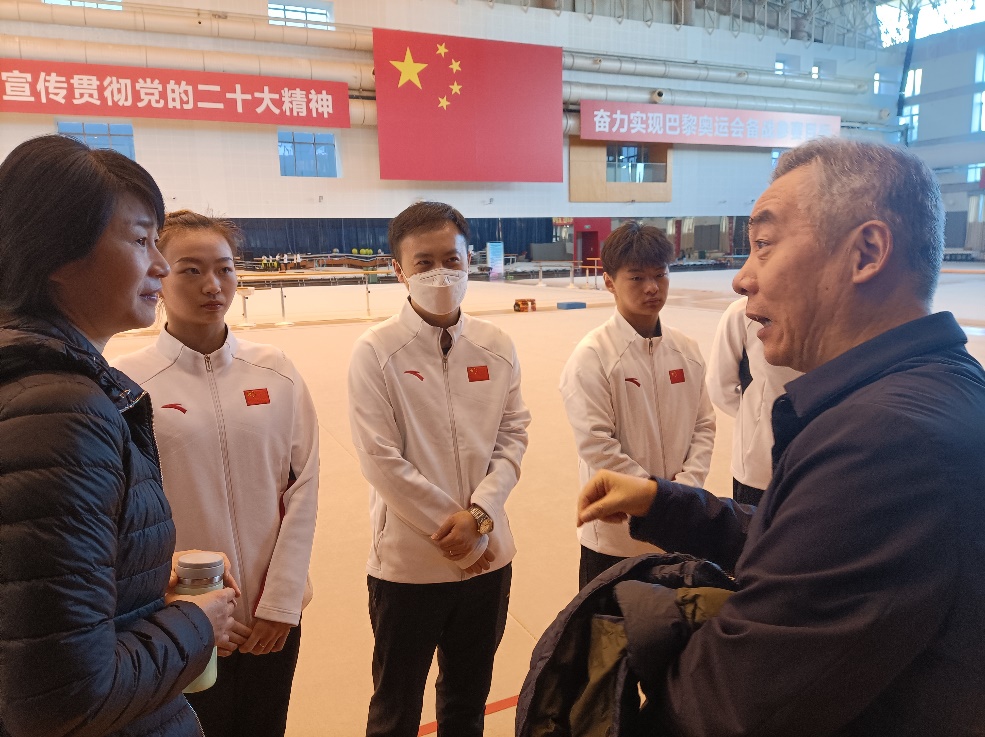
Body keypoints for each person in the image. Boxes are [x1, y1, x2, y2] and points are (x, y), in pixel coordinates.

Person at [576, 138, 985, 735]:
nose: (742, 278)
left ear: (866, 253)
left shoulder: (885, 442)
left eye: (764, 244)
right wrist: (665, 503)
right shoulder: (932, 388)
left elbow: (729, 703)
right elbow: (806, 548)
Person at [0, 135, 239, 737]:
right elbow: (66, 696)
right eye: (139, 240)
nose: (160, 264)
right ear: (58, 252)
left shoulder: (48, 388)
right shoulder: (59, 412)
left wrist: (140, 571)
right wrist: (198, 622)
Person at [112, 211, 319, 737]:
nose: (212, 285)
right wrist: (175, 603)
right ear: (158, 275)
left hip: (270, 617)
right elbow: (120, 512)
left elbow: (303, 486)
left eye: (224, 269)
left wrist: (282, 601)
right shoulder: (127, 382)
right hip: (178, 619)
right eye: (191, 270)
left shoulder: (276, 370)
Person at [348, 201, 530, 737]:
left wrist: (481, 515)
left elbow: (512, 436)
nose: (440, 274)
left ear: (471, 259)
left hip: (490, 561)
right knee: (395, 710)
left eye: (451, 259)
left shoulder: (496, 346)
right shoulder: (376, 351)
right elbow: (380, 458)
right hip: (410, 567)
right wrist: (458, 531)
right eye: (423, 263)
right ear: (398, 271)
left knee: (466, 705)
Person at [559, 222, 715, 589]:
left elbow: (703, 426)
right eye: (637, 277)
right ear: (609, 282)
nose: (652, 287)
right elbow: (597, 444)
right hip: (616, 540)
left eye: (660, 275)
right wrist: (656, 499)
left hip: (679, 531)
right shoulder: (593, 356)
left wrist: (684, 492)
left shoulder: (686, 350)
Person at [706, 295, 800, 505]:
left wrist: (757, 418)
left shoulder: (742, 312)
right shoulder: (743, 313)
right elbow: (720, 388)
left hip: (762, 460)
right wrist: (753, 416)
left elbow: (719, 387)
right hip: (761, 465)